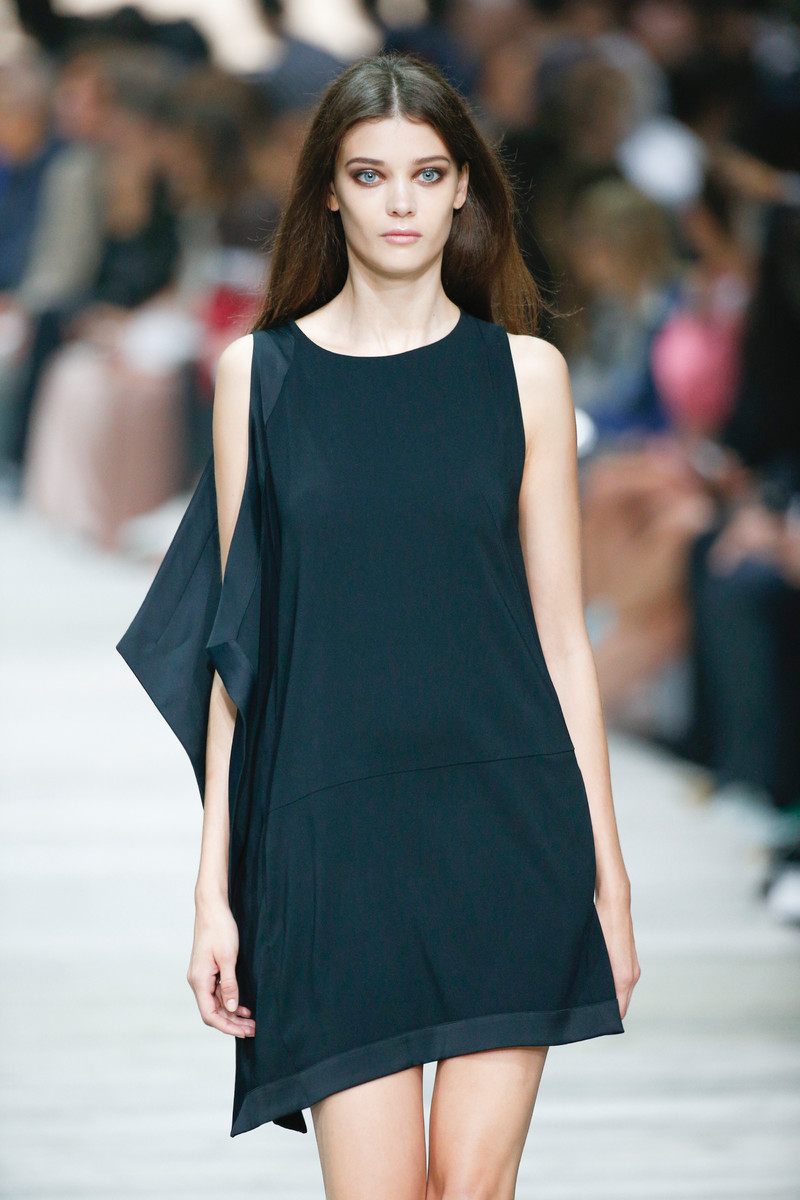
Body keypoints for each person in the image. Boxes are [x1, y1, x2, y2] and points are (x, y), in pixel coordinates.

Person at [117, 51, 640, 1199]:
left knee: (474, 1192)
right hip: (328, 840)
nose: (399, 201)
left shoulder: (525, 377)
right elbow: (236, 651)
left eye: (426, 173)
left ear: (463, 192)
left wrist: (607, 878)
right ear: (328, 192)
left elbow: (561, 642)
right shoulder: (258, 377)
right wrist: (215, 892)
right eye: (369, 174)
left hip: (505, 823)